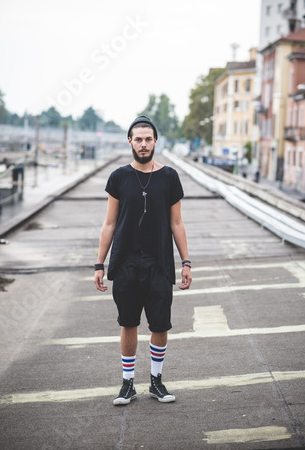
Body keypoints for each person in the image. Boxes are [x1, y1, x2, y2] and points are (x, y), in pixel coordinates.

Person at [94, 115, 192, 406]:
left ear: (155, 141)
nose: (143, 144)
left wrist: (186, 262)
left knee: (160, 325)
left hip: (159, 262)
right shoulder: (119, 177)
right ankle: (127, 385)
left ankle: (156, 382)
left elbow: (177, 223)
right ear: (130, 141)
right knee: (128, 323)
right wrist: (99, 265)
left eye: (148, 138)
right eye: (138, 139)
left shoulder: (170, 177)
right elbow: (109, 224)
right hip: (125, 262)